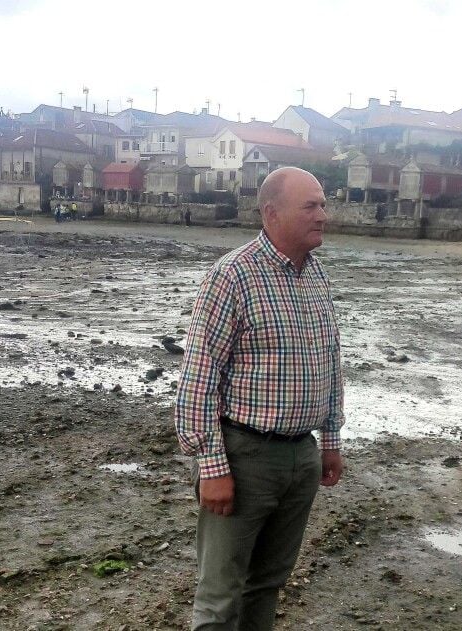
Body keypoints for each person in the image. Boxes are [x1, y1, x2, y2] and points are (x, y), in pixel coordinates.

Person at [175, 166, 345, 631]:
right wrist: (211, 468)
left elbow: (329, 361)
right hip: (243, 456)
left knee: (267, 583)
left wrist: (329, 440)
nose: (323, 215)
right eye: (310, 205)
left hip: (301, 456)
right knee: (219, 596)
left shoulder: (316, 277)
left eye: (323, 204)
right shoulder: (232, 276)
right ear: (271, 213)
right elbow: (198, 377)